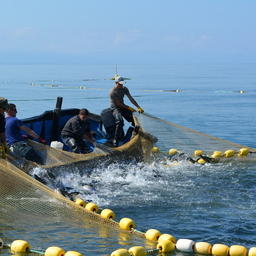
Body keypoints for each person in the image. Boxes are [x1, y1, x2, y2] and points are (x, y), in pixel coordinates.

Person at [109, 76, 144, 146]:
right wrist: (129, 108)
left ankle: (134, 134)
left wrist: (138, 107)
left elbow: (131, 98)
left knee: (135, 120)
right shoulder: (112, 92)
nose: (121, 85)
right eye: (120, 84)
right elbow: (118, 104)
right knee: (120, 121)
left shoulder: (125, 89)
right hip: (115, 108)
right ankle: (115, 139)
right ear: (116, 83)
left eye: (122, 83)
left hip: (123, 107)